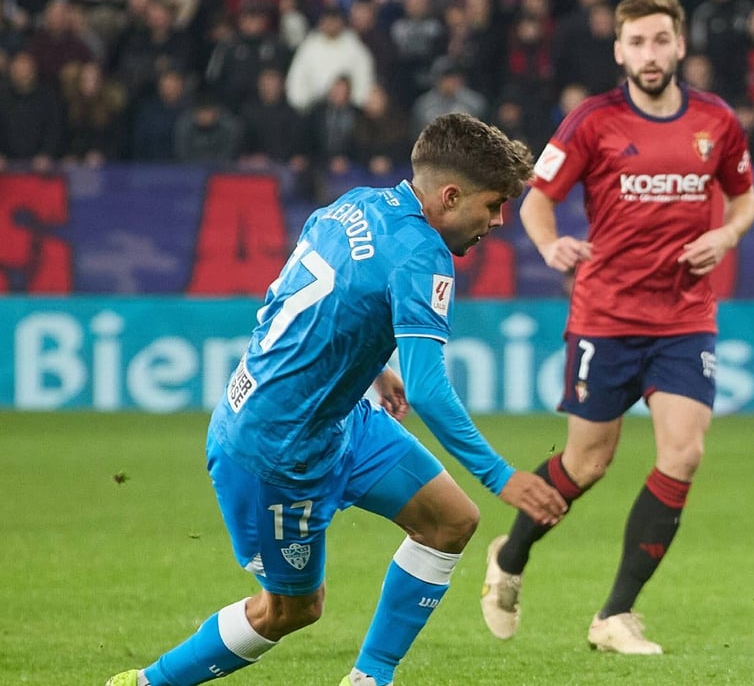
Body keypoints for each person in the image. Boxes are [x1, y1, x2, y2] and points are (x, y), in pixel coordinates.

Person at [105, 112, 567, 686]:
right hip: (275, 452)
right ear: (450, 196)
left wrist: (373, 370)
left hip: (335, 419)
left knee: (450, 521)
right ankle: (148, 683)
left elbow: (308, 302)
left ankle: (368, 679)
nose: (498, 221)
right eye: (494, 205)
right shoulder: (424, 255)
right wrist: (501, 477)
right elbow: (429, 388)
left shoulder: (357, 204)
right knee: (293, 609)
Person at [478, 0, 754, 655]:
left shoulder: (717, 121)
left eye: (661, 40)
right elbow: (536, 202)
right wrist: (551, 247)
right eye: (637, 43)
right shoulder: (590, 122)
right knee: (587, 462)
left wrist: (726, 235)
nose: (651, 54)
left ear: (680, 44)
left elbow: (744, 199)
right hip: (605, 316)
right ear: (619, 50)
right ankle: (510, 555)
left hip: (685, 318)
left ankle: (615, 613)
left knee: (684, 452)